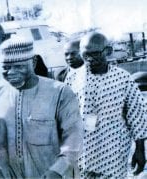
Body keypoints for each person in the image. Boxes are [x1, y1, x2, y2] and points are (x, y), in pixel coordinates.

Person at [0, 36, 83, 178]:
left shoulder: (60, 93)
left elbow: (73, 136)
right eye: (5, 68)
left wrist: (58, 170)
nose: (12, 72)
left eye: (19, 66)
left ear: (33, 62)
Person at [65, 32, 147, 178]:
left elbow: (137, 115)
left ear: (108, 51)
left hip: (114, 150)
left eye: (95, 54)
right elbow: (63, 114)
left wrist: (140, 150)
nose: (90, 59)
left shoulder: (123, 79)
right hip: (83, 151)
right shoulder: (73, 78)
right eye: (85, 55)